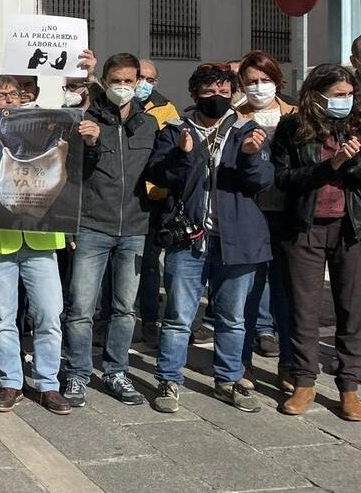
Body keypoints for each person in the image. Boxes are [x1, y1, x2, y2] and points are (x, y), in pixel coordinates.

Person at [145, 63, 273, 415]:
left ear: (233, 93)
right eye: (208, 91)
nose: (216, 97)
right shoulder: (175, 129)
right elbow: (158, 174)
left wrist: (249, 157)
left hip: (238, 239)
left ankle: (229, 380)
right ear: (195, 94)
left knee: (232, 318)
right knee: (178, 316)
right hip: (187, 239)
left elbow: (261, 182)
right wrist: (181, 156)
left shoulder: (248, 129)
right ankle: (169, 379)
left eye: (223, 91)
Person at [0, 76, 69, 415]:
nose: (8, 99)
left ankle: (48, 385)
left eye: (14, 94)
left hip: (40, 238)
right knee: (3, 318)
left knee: (49, 315)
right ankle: (11, 381)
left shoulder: (49, 133)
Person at [62, 54, 157, 408]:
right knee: (81, 307)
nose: (122, 87)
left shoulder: (147, 125)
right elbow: (72, 176)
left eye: (128, 81)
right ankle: (76, 373)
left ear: (138, 84)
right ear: (105, 81)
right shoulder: (84, 121)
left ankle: (117, 371)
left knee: (124, 308)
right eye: (114, 80)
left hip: (134, 227)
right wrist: (91, 144)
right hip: (91, 227)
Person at [272, 64, 361, 419]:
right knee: (304, 310)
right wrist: (331, 165)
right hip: (304, 228)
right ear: (317, 95)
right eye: (338, 95)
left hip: (350, 228)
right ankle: (305, 381)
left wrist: (349, 163)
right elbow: (283, 178)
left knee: (351, 310)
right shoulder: (292, 127)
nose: (346, 101)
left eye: (350, 95)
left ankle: (350, 387)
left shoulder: (357, 125)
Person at [234, 51, 297, 388]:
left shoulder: (298, 116)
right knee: (246, 294)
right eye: (252, 82)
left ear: (277, 80)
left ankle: (289, 365)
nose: (259, 87)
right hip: (249, 215)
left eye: (265, 80)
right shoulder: (236, 118)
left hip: (289, 216)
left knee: (287, 295)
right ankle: (240, 362)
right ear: (242, 85)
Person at [136, 59, 182, 343]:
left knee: (150, 262)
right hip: (123, 196)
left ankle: (150, 319)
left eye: (149, 79)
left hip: (154, 197)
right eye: (139, 76)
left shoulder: (167, 108)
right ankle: (105, 319)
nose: (143, 83)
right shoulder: (115, 102)